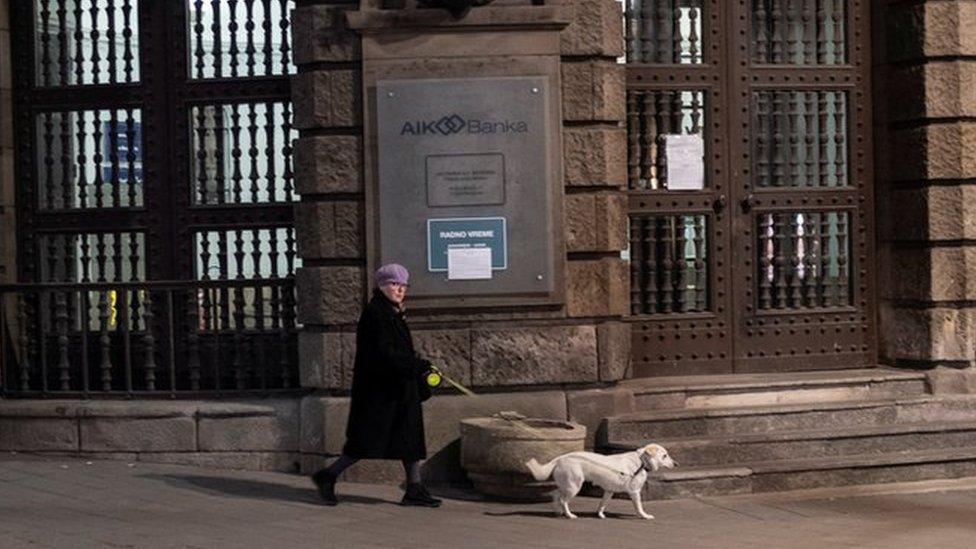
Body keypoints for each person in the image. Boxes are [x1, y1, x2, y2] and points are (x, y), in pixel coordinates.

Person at [311, 263, 442, 508]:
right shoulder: (376, 313)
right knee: (365, 441)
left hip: (399, 389)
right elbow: (384, 353)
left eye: (403, 285)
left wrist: (416, 368)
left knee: (410, 438)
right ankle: (328, 475)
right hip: (380, 392)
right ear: (381, 286)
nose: (400, 289)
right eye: (394, 284)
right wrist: (417, 365)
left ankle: (414, 488)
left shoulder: (392, 311)